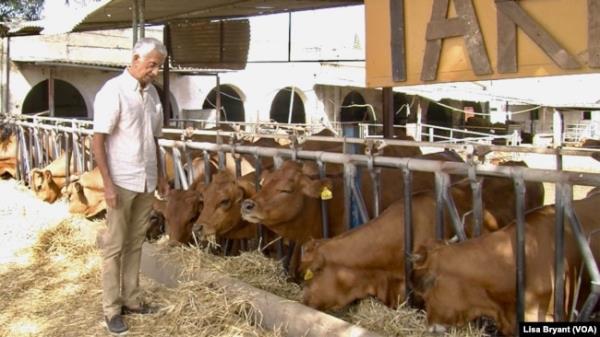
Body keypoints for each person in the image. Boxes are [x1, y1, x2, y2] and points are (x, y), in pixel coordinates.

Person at [92, 37, 168, 335]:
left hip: (146, 180)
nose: (155, 72)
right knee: (114, 247)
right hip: (122, 181)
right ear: (135, 59)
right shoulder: (114, 91)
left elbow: (154, 138)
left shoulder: (152, 96)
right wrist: (107, 185)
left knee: (136, 243)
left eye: (158, 67)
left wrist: (161, 174)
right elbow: (98, 140)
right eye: (151, 65)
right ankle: (111, 310)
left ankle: (132, 301)